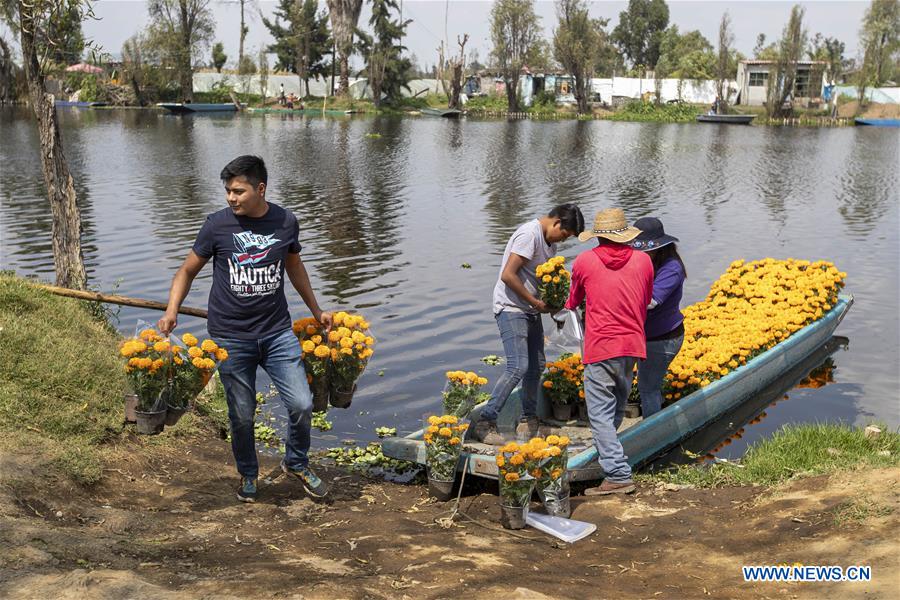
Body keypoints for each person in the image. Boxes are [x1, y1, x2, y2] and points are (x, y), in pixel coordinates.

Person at [158, 155, 333, 504]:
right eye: (228, 191)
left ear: (260, 188)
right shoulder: (216, 226)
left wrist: (317, 311)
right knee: (241, 413)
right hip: (230, 336)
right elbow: (187, 271)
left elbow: (295, 268)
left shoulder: (285, 222)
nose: (231, 198)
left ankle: (295, 462)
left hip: (277, 332)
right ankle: (249, 474)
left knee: (301, 402)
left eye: (239, 191)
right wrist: (171, 311)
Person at [470, 204, 585, 445]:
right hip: (511, 309)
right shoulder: (528, 235)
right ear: (556, 223)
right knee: (517, 366)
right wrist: (535, 301)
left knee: (537, 365)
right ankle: (485, 422)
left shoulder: (549, 242)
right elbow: (508, 275)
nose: (562, 242)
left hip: (529, 309)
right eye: (563, 235)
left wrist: (553, 304)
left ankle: (529, 420)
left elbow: (540, 278)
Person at [564, 208, 653, 495]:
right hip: (632, 345)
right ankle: (610, 453)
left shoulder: (584, 261)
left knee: (600, 414)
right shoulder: (643, 261)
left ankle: (617, 473)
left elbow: (572, 301)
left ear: (598, 236)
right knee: (615, 407)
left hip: (601, 346)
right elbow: (645, 299)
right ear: (625, 235)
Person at [630, 217, 686, 418]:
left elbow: (651, 302)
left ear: (661, 247)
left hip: (662, 338)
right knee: (644, 383)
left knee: (647, 388)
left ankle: (652, 430)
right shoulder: (644, 262)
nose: (639, 253)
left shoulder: (671, 268)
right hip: (643, 335)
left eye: (645, 249)